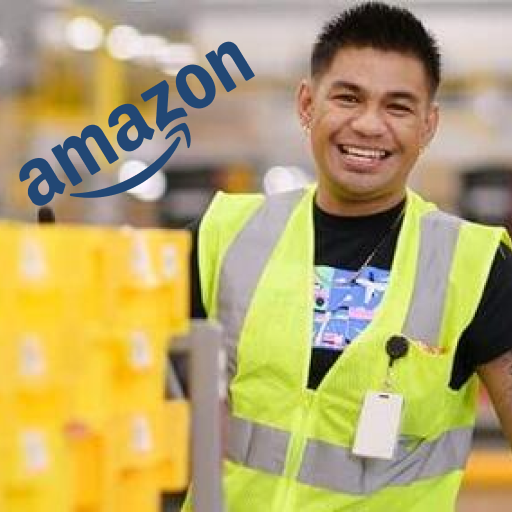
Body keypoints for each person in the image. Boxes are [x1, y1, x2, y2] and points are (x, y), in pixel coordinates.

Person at [185, 2, 512, 511]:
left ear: (428, 126)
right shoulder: (223, 233)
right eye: (348, 98)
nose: (368, 125)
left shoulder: (474, 265)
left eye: (398, 107)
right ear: (306, 105)